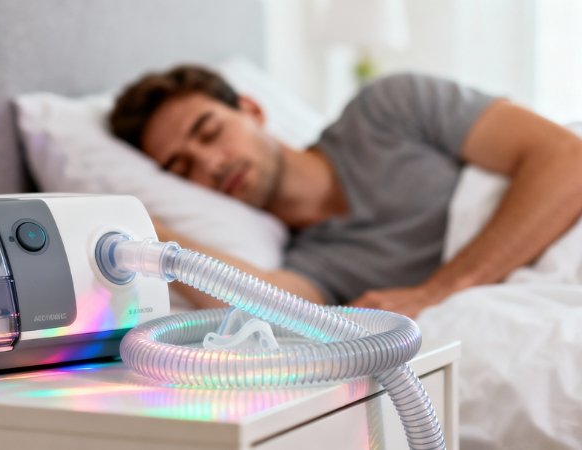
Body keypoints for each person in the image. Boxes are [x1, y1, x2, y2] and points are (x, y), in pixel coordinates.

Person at [108, 66, 582, 318]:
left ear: (252, 110)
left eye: (209, 133)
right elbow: (265, 305)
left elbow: (567, 157)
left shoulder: (388, 109)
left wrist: (439, 289)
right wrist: (146, 232)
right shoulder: (315, 262)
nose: (210, 165)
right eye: (183, 167)